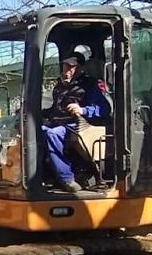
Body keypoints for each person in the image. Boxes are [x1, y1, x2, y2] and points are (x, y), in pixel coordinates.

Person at [42, 52, 110, 192]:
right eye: (65, 66)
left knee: (52, 134)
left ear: (80, 68)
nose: (67, 70)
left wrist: (83, 110)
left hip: (77, 125)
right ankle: (42, 175)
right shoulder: (60, 86)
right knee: (33, 130)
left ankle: (67, 179)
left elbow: (104, 108)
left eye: (71, 67)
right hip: (58, 122)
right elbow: (56, 108)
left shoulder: (90, 85)